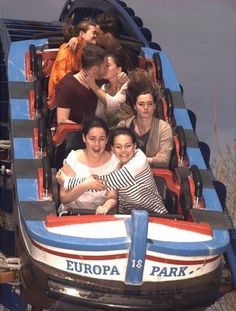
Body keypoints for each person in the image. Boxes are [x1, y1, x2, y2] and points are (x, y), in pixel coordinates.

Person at [57, 127, 168, 215]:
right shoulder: (117, 163)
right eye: (118, 147)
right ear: (113, 149)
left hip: (155, 216)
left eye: (128, 146)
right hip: (128, 216)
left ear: (135, 146)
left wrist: (67, 181)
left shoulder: (139, 161)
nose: (123, 151)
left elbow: (102, 183)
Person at [57, 117, 120, 215]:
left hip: (99, 216)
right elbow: (64, 198)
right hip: (72, 214)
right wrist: (85, 185)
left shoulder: (114, 161)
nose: (97, 144)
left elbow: (112, 197)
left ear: (107, 139)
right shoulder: (73, 158)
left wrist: (106, 206)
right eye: (92, 139)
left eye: (101, 139)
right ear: (84, 138)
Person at [118, 68, 173, 168]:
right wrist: (152, 159)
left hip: (154, 177)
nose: (146, 108)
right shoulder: (124, 126)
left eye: (150, 104)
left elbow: (164, 161)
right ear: (135, 106)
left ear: (155, 106)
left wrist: (134, 160)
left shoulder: (164, 128)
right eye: (141, 104)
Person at [48, 18, 98, 107]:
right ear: (82, 34)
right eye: (94, 33)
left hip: (74, 93)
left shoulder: (86, 51)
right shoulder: (67, 48)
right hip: (62, 98)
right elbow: (62, 77)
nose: (96, 36)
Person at [55, 43, 108, 124]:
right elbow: (62, 120)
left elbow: (113, 104)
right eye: (105, 67)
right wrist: (87, 130)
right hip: (75, 133)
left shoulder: (101, 80)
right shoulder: (68, 85)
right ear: (95, 69)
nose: (107, 70)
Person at [80, 49, 131, 127]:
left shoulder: (127, 84)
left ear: (119, 69)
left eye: (107, 65)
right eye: (104, 65)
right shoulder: (104, 87)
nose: (103, 68)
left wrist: (93, 85)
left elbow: (114, 105)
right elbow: (99, 115)